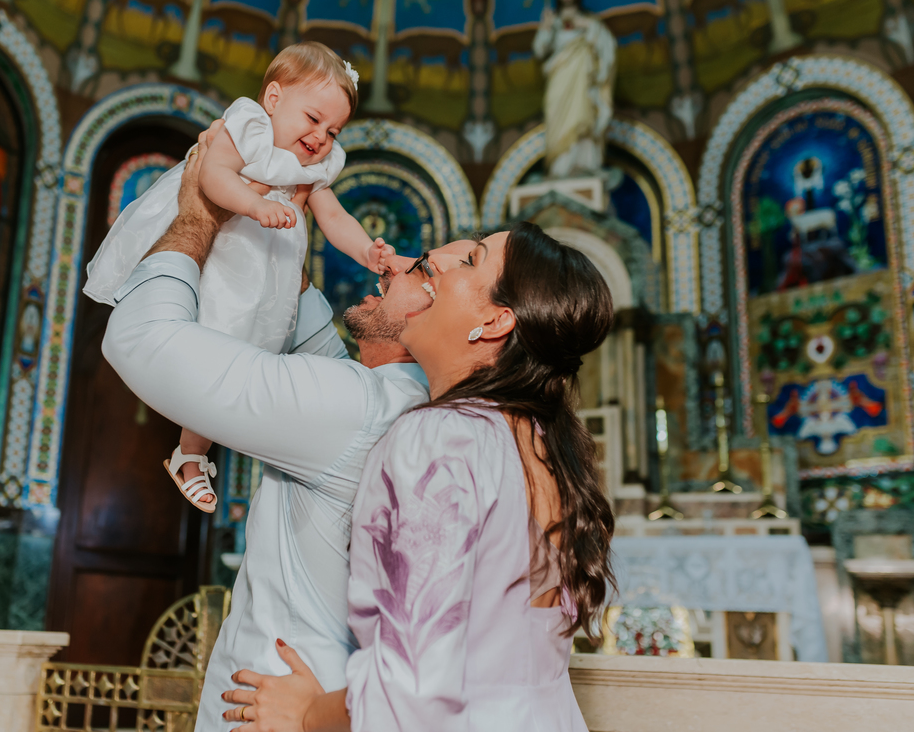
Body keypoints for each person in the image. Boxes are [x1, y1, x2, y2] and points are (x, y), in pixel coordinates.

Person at [100, 120, 468, 732]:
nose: (392, 267)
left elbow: (141, 339)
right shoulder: (390, 398)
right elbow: (301, 325)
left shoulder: (360, 408)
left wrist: (198, 214)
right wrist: (271, 236)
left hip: (283, 699)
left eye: (423, 272)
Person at [221, 223, 617, 731]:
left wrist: (305, 715)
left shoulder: (441, 439)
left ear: (496, 321)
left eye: (469, 261)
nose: (439, 271)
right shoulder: (542, 444)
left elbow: (411, 688)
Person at [88, 41, 395, 514]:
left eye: (333, 131)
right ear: (274, 99)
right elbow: (213, 177)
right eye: (313, 119)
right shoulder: (248, 127)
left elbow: (334, 219)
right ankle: (190, 453)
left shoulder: (311, 169)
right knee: (204, 347)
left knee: (235, 361)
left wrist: (366, 252)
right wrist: (255, 204)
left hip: (264, 279)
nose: (321, 137)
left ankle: (190, 453)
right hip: (224, 259)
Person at [533, 0, 616, 179]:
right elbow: (539, 50)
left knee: (583, 115)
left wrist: (589, 27)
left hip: (583, 77)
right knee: (557, 115)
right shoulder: (553, 21)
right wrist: (545, 28)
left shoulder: (590, 21)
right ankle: (559, 166)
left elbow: (607, 48)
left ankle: (583, 163)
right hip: (560, 76)